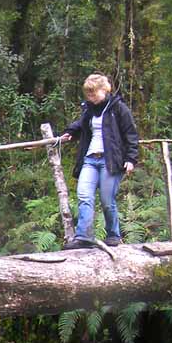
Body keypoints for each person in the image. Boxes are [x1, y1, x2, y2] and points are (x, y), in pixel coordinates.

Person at [58, 73, 139, 248]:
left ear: (104, 90)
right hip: (90, 159)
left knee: (106, 200)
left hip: (110, 161)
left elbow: (131, 134)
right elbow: (80, 124)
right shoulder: (89, 110)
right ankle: (84, 237)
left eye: (94, 93)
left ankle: (113, 235)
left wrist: (131, 158)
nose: (91, 97)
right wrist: (70, 132)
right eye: (88, 94)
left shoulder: (119, 108)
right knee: (84, 196)